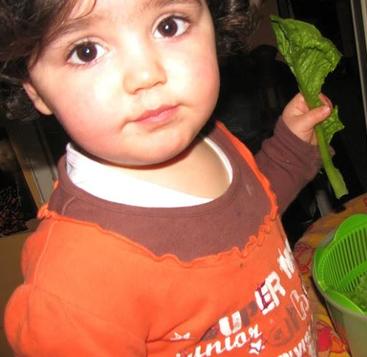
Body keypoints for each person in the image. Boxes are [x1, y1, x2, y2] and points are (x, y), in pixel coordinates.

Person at [1, 0, 333, 355]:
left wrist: (289, 150)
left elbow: (250, 223)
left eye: (169, 26)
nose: (146, 74)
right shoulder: (72, 286)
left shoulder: (211, 138)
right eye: (86, 51)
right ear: (34, 88)